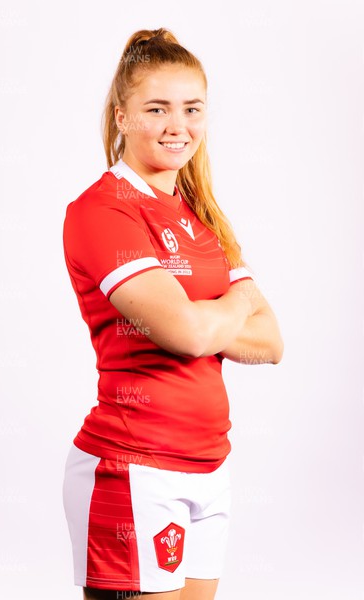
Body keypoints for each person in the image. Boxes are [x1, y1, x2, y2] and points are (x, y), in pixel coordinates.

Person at [62, 27, 283, 600]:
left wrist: (210, 316)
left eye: (192, 109)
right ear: (121, 116)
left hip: (209, 467)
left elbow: (272, 340)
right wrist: (233, 304)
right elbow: (186, 333)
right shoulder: (102, 211)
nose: (176, 126)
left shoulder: (203, 213)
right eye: (156, 108)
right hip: (134, 468)